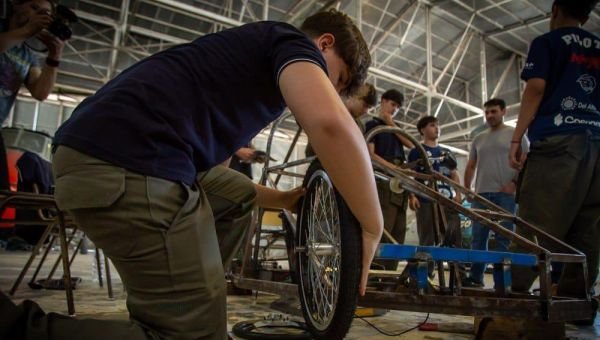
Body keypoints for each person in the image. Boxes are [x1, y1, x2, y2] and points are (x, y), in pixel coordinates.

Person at [1, 9, 384, 340]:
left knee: (236, 197)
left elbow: (214, 178)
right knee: (194, 336)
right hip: (124, 162)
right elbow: (331, 125)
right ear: (324, 44)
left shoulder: (245, 76)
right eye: (338, 80)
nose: (333, 93)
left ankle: (186, 296)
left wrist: (284, 200)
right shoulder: (289, 42)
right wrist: (371, 224)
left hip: (101, 156)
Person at [508, 0, 599, 321]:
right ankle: (577, 304)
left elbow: (535, 87)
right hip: (597, 143)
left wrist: (517, 138)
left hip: (559, 141)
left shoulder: (547, 42)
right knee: (587, 228)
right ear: (587, 15)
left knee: (535, 222)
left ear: (555, 9)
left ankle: (515, 298)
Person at [462, 98, 528, 288]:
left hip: (505, 195)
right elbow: (471, 165)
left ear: (503, 111)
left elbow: (526, 159)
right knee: (478, 237)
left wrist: (514, 183)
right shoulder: (479, 138)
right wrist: (468, 189)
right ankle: (475, 278)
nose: (490, 115)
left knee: (504, 239)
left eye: (494, 111)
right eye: (487, 112)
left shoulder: (516, 135)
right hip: (481, 195)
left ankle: (501, 282)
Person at [0, 0, 63, 190]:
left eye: (45, 14)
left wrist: (54, 56)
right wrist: (26, 31)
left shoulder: (27, 56)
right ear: (16, 4)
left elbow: (41, 92)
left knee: (3, 193)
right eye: (34, 8)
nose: (38, 16)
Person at [407, 116, 463, 276]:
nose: (437, 128)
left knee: (454, 239)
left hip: (447, 201)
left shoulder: (447, 153)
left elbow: (454, 174)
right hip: (425, 201)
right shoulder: (416, 151)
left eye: (438, 125)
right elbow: (410, 174)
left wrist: (458, 193)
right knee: (427, 240)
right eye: (432, 125)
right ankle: (426, 274)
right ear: (422, 130)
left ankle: (458, 275)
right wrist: (412, 196)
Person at [364, 89, 413, 270]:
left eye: (398, 107)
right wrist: (391, 167)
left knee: (398, 231)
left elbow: (410, 144)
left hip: (400, 183)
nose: (394, 109)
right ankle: (377, 272)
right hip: (383, 180)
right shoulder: (373, 125)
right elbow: (370, 155)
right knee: (384, 228)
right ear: (383, 101)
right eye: (392, 104)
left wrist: (390, 122)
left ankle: (390, 274)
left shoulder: (393, 128)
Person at [304, 81, 376, 157]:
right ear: (353, 96)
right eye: (364, 105)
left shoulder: (360, 126)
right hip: (319, 160)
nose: (366, 111)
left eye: (369, 108)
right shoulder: (331, 113)